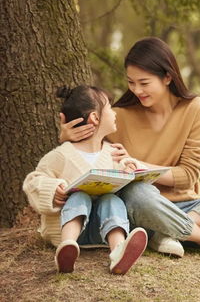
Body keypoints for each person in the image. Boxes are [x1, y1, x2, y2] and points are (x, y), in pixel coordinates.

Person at [59, 37, 200, 264]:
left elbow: (188, 176)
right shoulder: (118, 116)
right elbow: (86, 155)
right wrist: (66, 139)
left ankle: (166, 232)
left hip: (191, 209)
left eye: (144, 82)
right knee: (137, 192)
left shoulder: (197, 110)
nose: (137, 90)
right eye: (131, 82)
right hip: (140, 210)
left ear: (168, 77)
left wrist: (141, 165)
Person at [24, 85, 148, 274]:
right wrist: (53, 189)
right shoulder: (62, 155)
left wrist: (130, 168)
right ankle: (67, 247)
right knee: (79, 197)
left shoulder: (112, 153)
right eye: (109, 108)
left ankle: (118, 251)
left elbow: (125, 177)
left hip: (101, 230)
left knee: (111, 199)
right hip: (68, 230)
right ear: (95, 118)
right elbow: (32, 181)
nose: (114, 113)